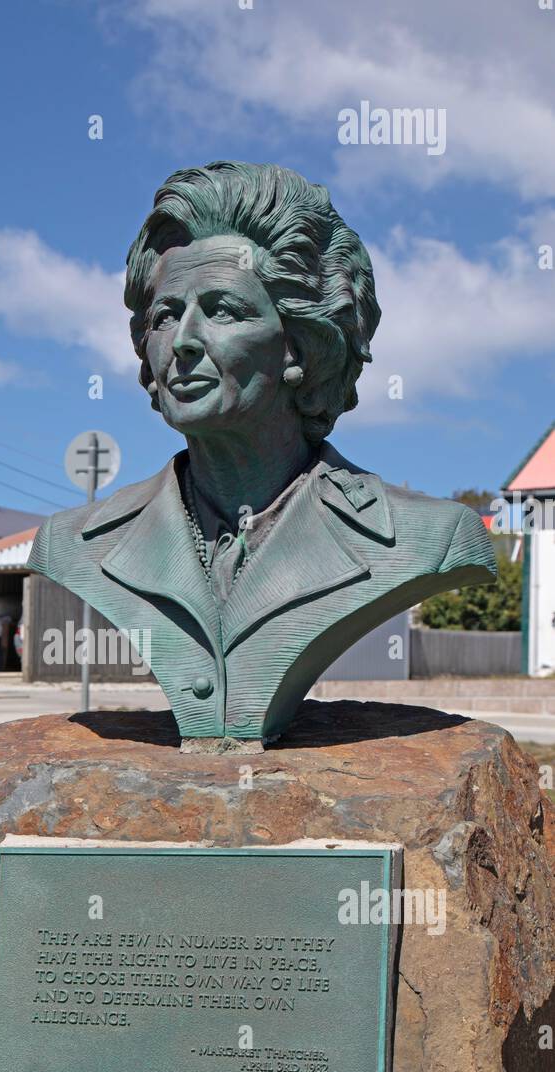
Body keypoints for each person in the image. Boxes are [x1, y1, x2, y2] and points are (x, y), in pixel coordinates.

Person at [28, 161, 495, 742]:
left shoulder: (432, 538)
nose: (184, 342)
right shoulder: (75, 542)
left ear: (299, 347)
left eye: (223, 310)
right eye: (165, 317)